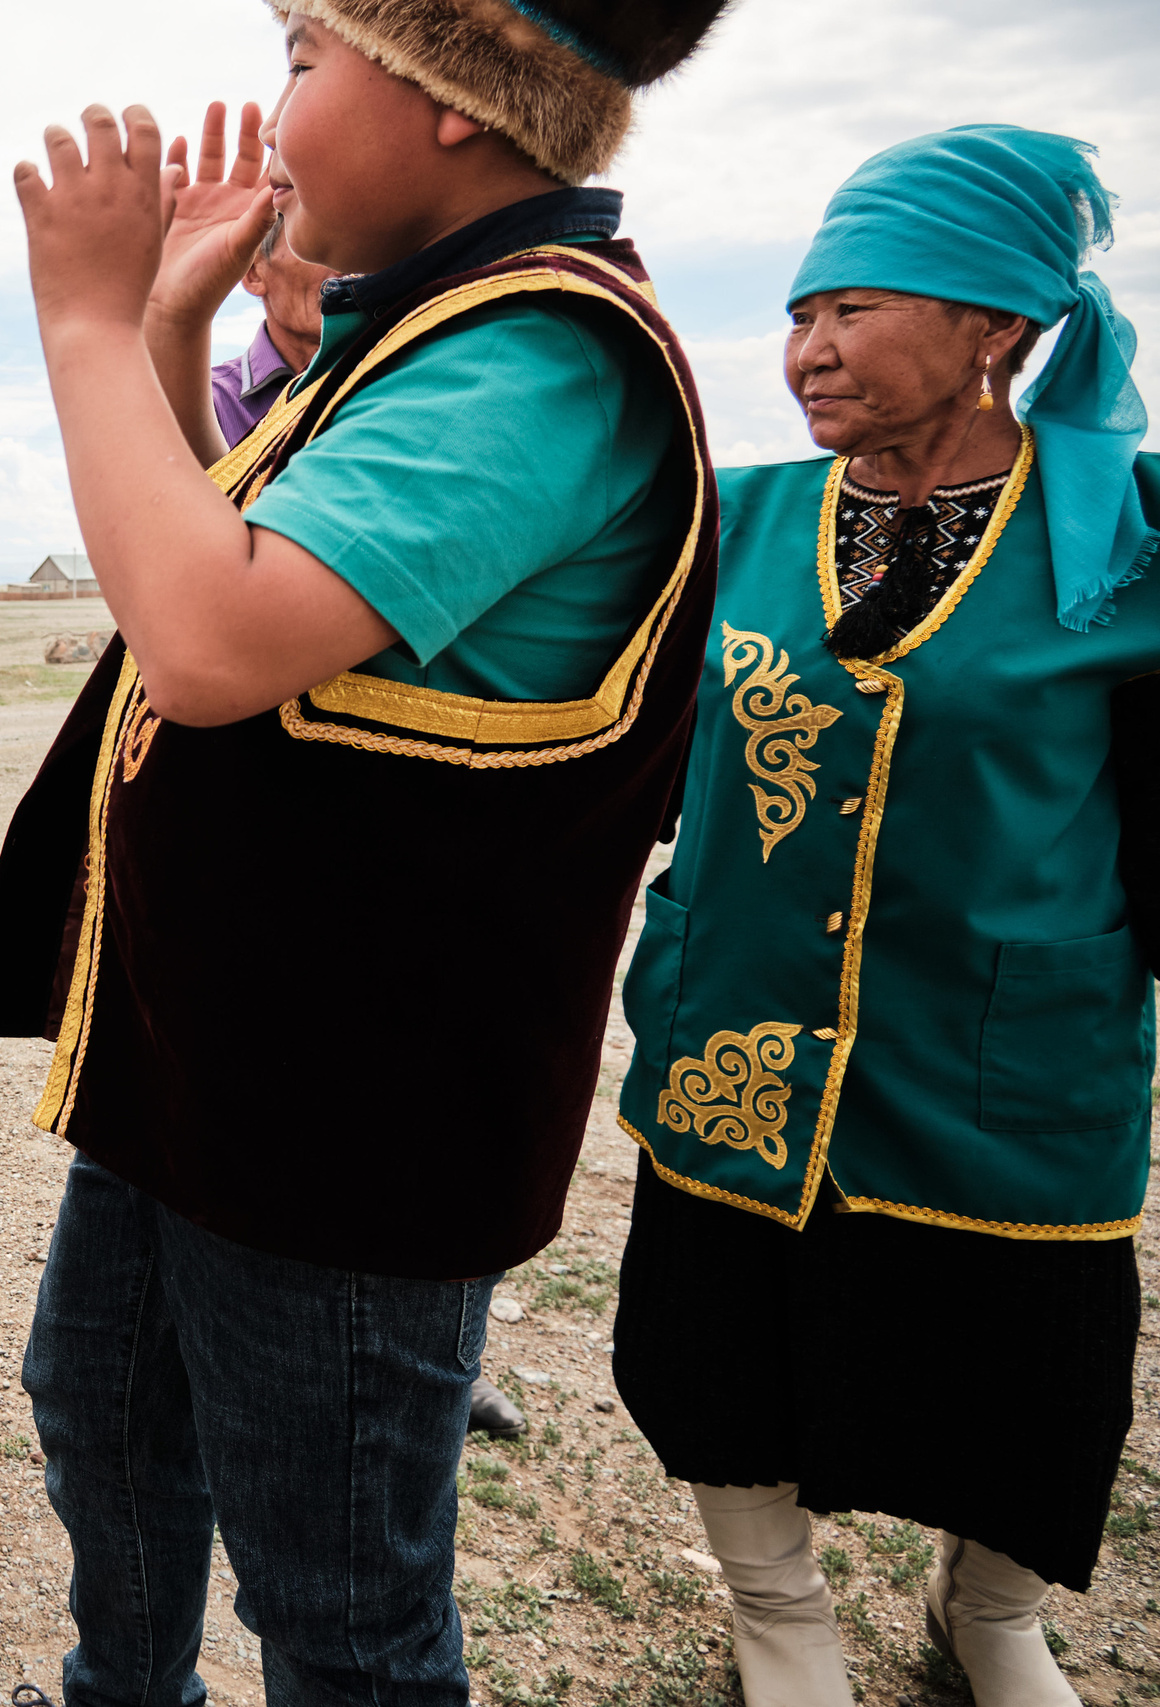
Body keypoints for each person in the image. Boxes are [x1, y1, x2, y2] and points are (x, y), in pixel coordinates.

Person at [0, 0, 730, 1698]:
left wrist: (80, 319)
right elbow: (203, 542)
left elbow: (210, 641)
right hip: (218, 1076)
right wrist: (166, 322)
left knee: (338, 1602)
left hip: (350, 1130)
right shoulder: (420, 341)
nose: (273, 99)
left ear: (457, 99)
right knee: (106, 1416)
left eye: (307, 58)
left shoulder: (535, 357)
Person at [608, 127, 1159, 1707]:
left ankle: (987, 1615)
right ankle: (778, 1611)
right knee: (729, 1346)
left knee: (1028, 1372)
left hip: (1006, 1056)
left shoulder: (1131, 545)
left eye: (854, 307)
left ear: (997, 325)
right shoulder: (735, 521)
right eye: (798, 313)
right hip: (741, 1042)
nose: (809, 350)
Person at [207, 210, 336, 449]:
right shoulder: (208, 405)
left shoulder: (402, 380)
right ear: (254, 273)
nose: (343, 268)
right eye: (315, 245)